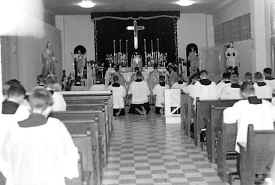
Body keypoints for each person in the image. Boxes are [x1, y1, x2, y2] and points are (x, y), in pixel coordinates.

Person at [0, 87, 79, 185]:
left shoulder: (13, 129)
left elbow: (4, 160)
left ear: (29, 106)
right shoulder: (55, 126)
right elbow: (70, 155)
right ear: (49, 107)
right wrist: (69, 173)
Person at [223, 82, 275, 152]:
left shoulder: (240, 105)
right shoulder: (268, 104)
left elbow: (227, 119)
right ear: (254, 91)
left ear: (242, 93)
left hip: (248, 144)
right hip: (267, 144)